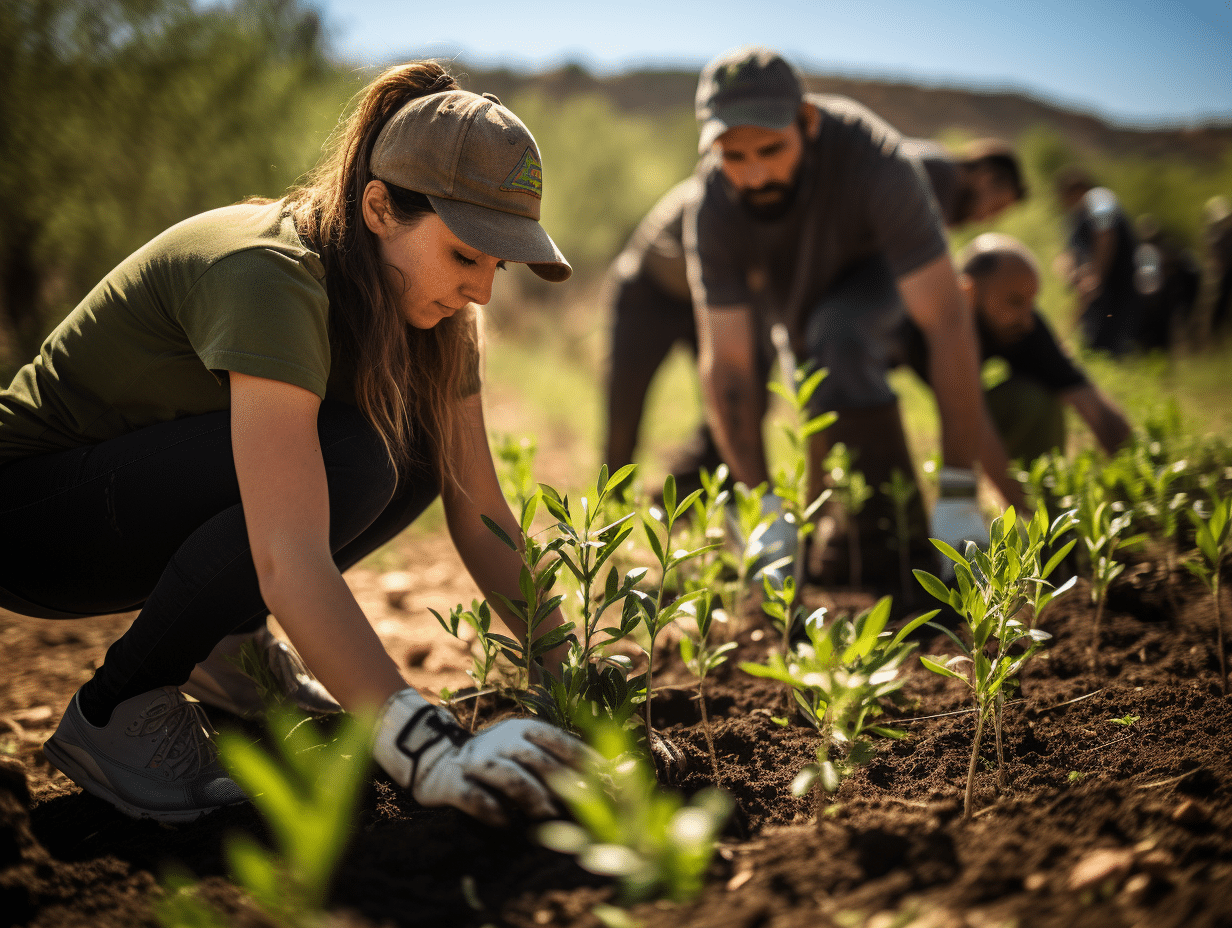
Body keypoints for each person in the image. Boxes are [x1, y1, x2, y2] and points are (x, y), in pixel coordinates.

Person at [0, 62, 587, 826]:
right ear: (380, 208)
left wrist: (574, 682)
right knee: (356, 455)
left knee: (410, 449)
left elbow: (481, 510)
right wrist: (427, 748)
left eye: (497, 264)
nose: (482, 290)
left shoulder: (438, 321)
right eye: (465, 255)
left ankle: (230, 654)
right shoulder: (271, 274)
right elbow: (287, 554)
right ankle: (118, 709)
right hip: (33, 516)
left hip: (130, 507)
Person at [675, 45, 1024, 596]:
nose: (755, 172)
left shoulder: (876, 160)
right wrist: (761, 500)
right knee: (808, 370)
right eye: (733, 156)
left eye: (771, 148)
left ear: (808, 122)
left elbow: (948, 321)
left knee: (839, 333)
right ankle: (837, 538)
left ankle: (900, 548)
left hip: (887, 278)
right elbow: (731, 365)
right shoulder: (713, 205)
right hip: (796, 301)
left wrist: (959, 490)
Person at [603, 136, 1025, 501]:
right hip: (654, 285)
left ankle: (680, 494)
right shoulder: (937, 178)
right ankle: (611, 512)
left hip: (725, 294)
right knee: (627, 409)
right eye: (997, 204)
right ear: (986, 174)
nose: (989, 217)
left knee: (742, 399)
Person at [900, 234, 1131, 462]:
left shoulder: (1024, 325)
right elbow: (969, 424)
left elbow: (1085, 396)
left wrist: (1137, 467)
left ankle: (1043, 485)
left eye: (1031, 302)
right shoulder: (931, 330)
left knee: (1038, 396)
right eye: (1015, 301)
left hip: (974, 412)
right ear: (969, 293)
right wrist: (1019, 501)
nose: (1028, 320)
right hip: (882, 380)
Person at [1054, 166, 1143, 356]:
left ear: (1076, 191)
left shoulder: (1098, 198)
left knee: (1114, 336)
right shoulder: (1077, 216)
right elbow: (1074, 251)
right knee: (1094, 336)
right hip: (1102, 287)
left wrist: (1095, 277)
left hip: (1118, 282)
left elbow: (1105, 235)